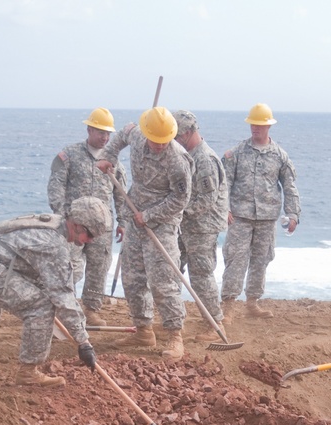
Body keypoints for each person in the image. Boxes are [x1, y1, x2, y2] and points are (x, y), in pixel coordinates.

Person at [0, 197, 108, 387]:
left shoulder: (50, 222)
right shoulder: (54, 245)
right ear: (78, 225)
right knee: (41, 308)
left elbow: (1, 233)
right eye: (89, 236)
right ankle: (28, 373)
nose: (89, 241)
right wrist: (83, 343)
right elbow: (63, 296)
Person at [95, 107, 192, 360]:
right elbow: (121, 136)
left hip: (162, 223)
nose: (159, 146)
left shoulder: (178, 160)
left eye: (164, 141)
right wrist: (108, 156)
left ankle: (174, 336)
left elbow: (180, 199)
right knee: (133, 278)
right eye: (155, 140)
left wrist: (148, 216)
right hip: (134, 213)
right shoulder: (136, 134)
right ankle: (143, 330)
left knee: (163, 281)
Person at [47, 108, 128, 326]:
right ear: (89, 129)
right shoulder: (70, 154)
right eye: (101, 132)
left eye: (108, 133)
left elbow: (120, 194)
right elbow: (56, 186)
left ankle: (91, 310)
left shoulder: (113, 161)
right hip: (75, 225)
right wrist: (62, 216)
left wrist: (123, 222)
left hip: (103, 227)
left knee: (98, 268)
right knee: (69, 268)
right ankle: (66, 309)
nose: (105, 137)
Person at [220, 103, 301, 321]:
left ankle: (252, 303)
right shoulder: (236, 153)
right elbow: (224, 183)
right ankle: (228, 305)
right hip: (240, 217)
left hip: (267, 218)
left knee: (261, 260)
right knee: (235, 259)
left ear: (268, 127)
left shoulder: (280, 156)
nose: (255, 128)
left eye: (260, 125)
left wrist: (293, 214)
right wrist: (223, 208)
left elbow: (289, 185)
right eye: (253, 124)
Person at [172, 110, 230, 343]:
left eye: (177, 136)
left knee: (201, 274)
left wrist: (177, 211)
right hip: (187, 224)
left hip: (202, 227)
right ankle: (176, 318)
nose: (174, 141)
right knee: (175, 268)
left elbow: (206, 200)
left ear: (188, 133)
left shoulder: (205, 159)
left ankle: (215, 324)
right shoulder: (188, 154)